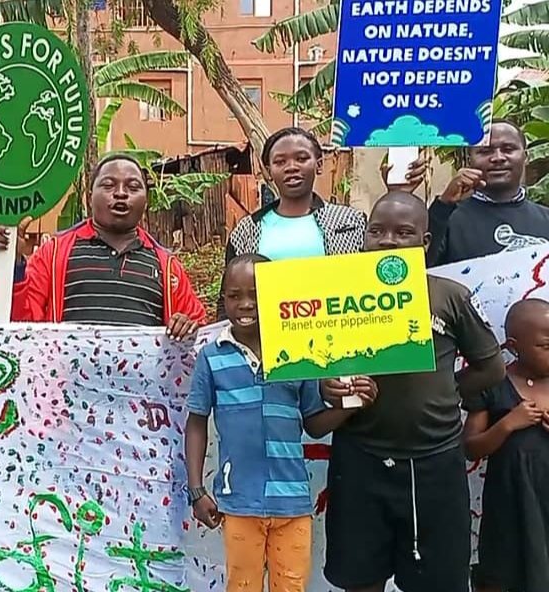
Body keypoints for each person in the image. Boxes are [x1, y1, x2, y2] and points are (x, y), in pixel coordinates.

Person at [321, 191, 506, 592]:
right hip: (360, 456)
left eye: (404, 232)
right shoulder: (335, 295)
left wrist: (446, 390)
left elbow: (491, 367)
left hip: (434, 460)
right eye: (377, 231)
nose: (388, 240)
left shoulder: (447, 295)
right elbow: (316, 366)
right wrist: (329, 384)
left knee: (437, 580)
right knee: (360, 576)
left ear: (425, 242)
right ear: (364, 238)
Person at [186, 253, 373, 592]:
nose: (245, 304)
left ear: (276, 296)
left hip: (293, 502)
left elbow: (314, 424)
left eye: (256, 295)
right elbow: (196, 422)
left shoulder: (297, 353)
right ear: (222, 299)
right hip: (239, 500)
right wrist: (197, 490)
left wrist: (353, 405)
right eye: (234, 295)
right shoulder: (212, 356)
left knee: (291, 587)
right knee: (243, 585)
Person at [463, 299, 549, 592]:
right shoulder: (495, 388)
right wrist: (508, 423)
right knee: (501, 570)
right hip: (508, 503)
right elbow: (471, 448)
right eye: (547, 346)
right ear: (514, 346)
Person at [0, 153, 206, 338]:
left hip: (141, 386)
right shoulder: (55, 252)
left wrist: (186, 327)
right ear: (91, 195)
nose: (121, 193)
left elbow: (198, 330)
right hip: (68, 385)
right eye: (108, 185)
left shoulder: (167, 266)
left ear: (146, 200)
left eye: (132, 187)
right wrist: (12, 262)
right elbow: (19, 325)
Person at [388, 121, 549, 266]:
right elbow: (413, 271)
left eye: (508, 149)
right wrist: (442, 205)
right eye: (485, 151)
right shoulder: (444, 218)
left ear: (525, 156)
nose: (498, 157)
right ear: (470, 159)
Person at [221, 127, 365, 317]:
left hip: (338, 333)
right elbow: (228, 299)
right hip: (267, 340)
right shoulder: (246, 231)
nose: (291, 167)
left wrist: (400, 191)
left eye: (301, 158)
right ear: (268, 171)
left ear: (319, 164)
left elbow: (382, 273)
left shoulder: (351, 223)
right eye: (280, 162)